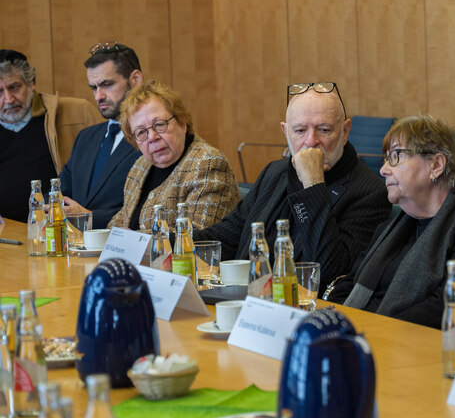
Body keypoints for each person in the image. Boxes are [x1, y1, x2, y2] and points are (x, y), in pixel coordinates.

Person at [196, 81, 390, 295]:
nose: (311, 141)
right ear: (285, 132)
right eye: (299, 130)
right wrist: (165, 244)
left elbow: (327, 274)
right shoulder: (275, 172)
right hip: (249, 302)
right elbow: (227, 236)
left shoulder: (369, 192)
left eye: (324, 130)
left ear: (345, 132)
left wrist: (313, 185)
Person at [327, 115, 455, 326]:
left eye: (396, 156)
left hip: (411, 345)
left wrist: (373, 330)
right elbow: (349, 284)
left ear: (436, 165)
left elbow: (446, 306)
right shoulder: (390, 227)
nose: (383, 169)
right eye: (386, 158)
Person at [108, 80, 239, 231]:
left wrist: (132, 240)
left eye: (159, 124)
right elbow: (119, 222)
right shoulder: (139, 167)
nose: (152, 137)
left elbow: (198, 235)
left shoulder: (207, 163)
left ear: (182, 122)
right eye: (141, 132)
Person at [0, 49, 96, 220]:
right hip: (6, 233)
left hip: (62, 228)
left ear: (31, 83)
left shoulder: (77, 113)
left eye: (14, 87)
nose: (8, 99)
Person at [59, 42, 144, 228]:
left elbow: (152, 208)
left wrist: (90, 218)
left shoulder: (152, 138)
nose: (98, 96)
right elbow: (59, 193)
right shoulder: (85, 138)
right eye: (94, 88)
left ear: (135, 80)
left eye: (107, 84)